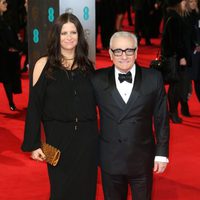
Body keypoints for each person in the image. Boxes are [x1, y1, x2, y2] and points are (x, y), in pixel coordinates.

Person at [21, 13, 98, 200]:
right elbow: (34, 106)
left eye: (73, 32)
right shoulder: (44, 64)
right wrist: (34, 144)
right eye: (64, 33)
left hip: (87, 140)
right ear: (57, 36)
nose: (69, 37)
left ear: (79, 35)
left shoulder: (87, 66)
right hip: (57, 140)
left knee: (86, 191)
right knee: (61, 190)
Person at [91, 31, 170, 200]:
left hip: (141, 158)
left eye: (129, 50)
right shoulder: (97, 79)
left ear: (136, 52)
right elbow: (85, 116)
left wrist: (162, 152)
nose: (124, 56)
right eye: (118, 51)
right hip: (110, 158)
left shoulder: (153, 78)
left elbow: (161, 118)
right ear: (111, 54)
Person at [161, 0, 192, 123]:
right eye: (184, 2)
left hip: (174, 57)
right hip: (175, 58)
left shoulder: (175, 17)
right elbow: (175, 42)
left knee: (175, 86)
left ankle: (173, 112)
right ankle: (173, 112)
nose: (186, 4)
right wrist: (181, 56)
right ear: (178, 4)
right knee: (175, 86)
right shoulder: (174, 19)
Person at [0, 0, 23, 111]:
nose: (6, 4)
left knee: (7, 79)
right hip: (3, 53)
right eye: (3, 2)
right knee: (6, 78)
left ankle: (11, 101)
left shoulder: (7, 18)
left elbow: (12, 35)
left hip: (7, 55)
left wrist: (17, 47)